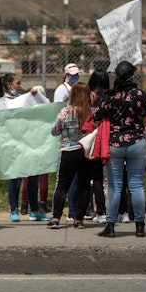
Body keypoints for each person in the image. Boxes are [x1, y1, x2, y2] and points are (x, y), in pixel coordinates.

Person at [93, 61, 146, 238]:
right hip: (137, 142)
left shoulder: (110, 96)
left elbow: (96, 118)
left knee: (115, 187)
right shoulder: (141, 95)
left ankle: (110, 225)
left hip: (115, 144)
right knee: (137, 185)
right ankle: (139, 226)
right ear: (132, 76)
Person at [0, 73, 49, 222]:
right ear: (9, 85)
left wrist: (32, 97)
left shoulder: (22, 98)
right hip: (14, 144)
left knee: (33, 176)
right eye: (18, 83)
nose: (20, 86)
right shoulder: (2, 101)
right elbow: (5, 119)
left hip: (29, 142)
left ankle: (35, 210)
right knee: (15, 177)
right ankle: (14, 210)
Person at [49, 82, 99, 229]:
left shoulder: (66, 111)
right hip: (86, 152)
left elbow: (54, 130)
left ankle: (56, 217)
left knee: (62, 186)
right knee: (84, 186)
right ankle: (79, 219)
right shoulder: (93, 113)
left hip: (68, 151)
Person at [86, 71, 109, 223]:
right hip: (107, 140)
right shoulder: (110, 98)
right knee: (109, 180)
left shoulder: (89, 98)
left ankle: (95, 210)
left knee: (92, 179)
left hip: (91, 141)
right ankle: (111, 210)